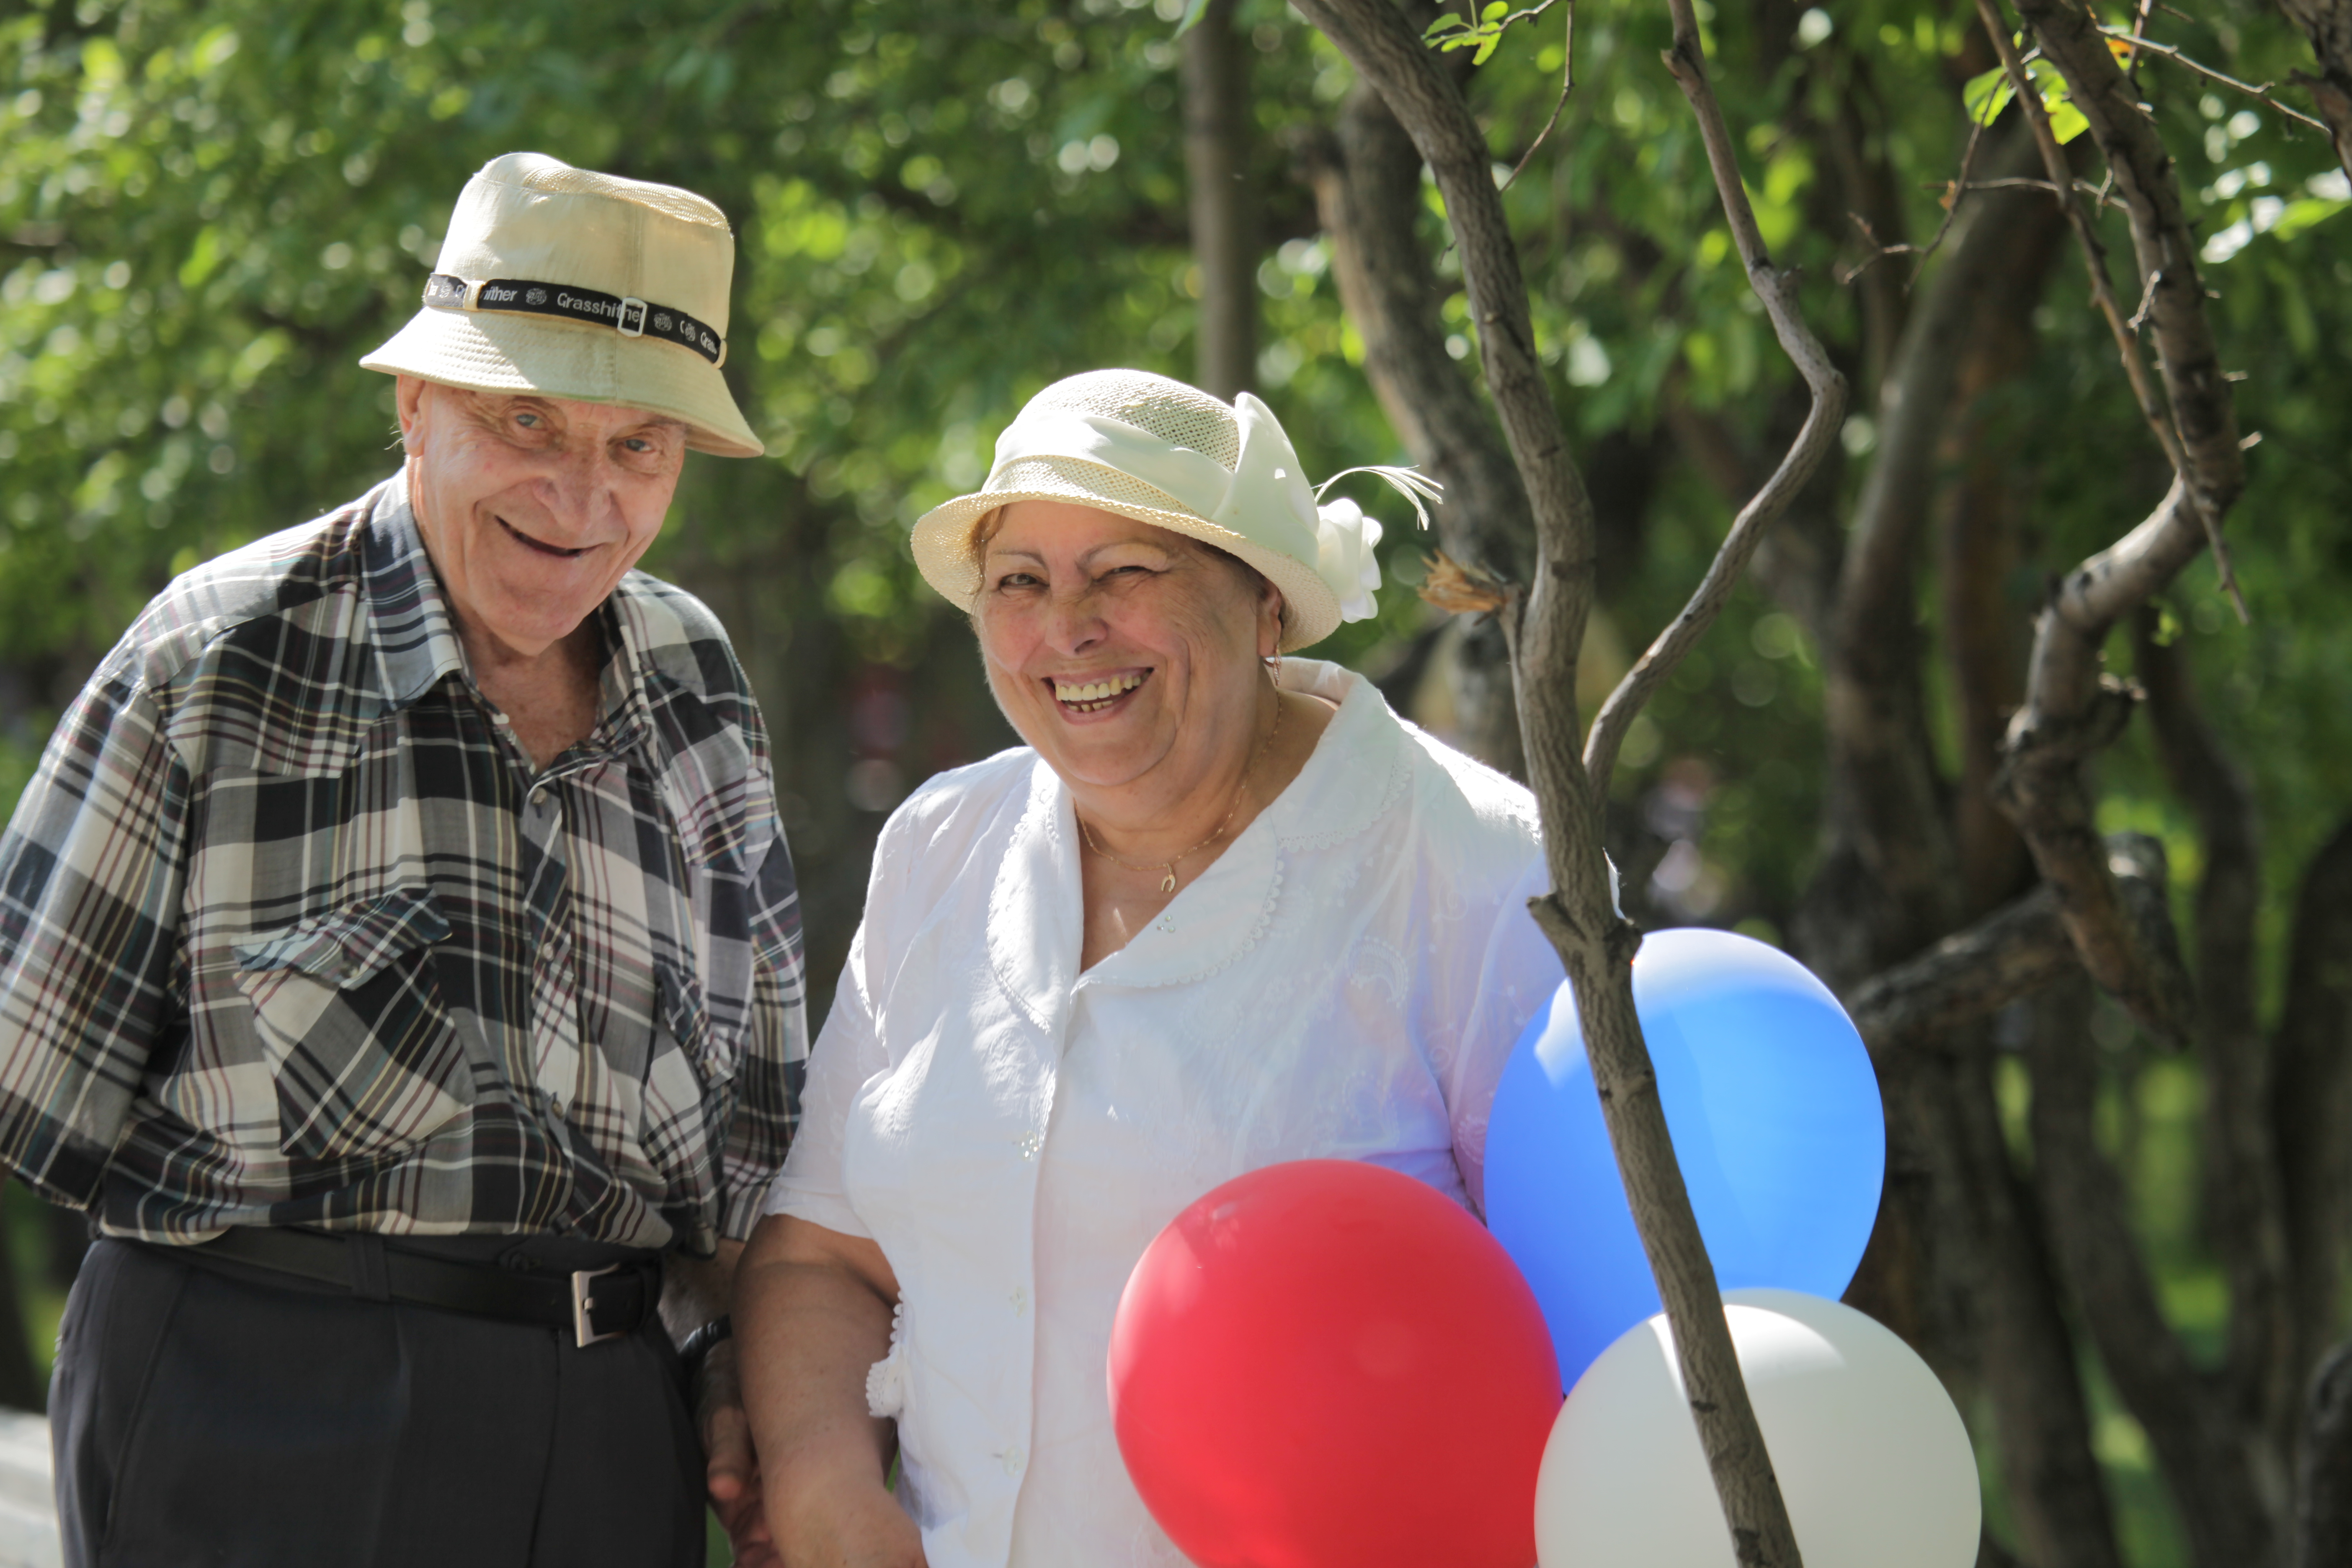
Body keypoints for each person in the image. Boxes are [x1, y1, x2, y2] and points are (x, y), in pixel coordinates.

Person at [0, 152, 805, 1567]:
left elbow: (757, 1133)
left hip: (617, 1426)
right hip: (258, 1410)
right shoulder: (220, 657)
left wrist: (746, 1375)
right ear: (414, 404)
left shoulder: (698, 680)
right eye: (528, 420)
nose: (582, 494)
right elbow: (23, 1079)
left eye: (639, 447)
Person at [735, 369, 1562, 1567]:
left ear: (1267, 606)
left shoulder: (1473, 870)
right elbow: (824, 1250)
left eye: (1124, 571)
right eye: (1019, 581)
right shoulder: (940, 845)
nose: (1066, 629)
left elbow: (1586, 1324)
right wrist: (824, 1490)